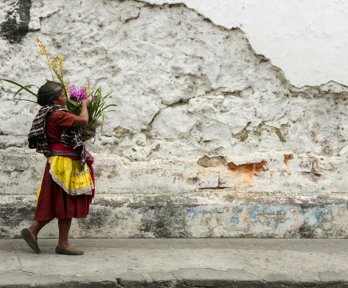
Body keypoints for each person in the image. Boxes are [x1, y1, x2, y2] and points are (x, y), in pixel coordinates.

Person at [21, 80, 95, 255]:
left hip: (59, 161)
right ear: (54, 99)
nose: (66, 97)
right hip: (64, 164)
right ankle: (61, 243)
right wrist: (84, 104)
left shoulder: (49, 112)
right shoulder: (58, 115)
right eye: (63, 95)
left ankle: (36, 231)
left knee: (59, 201)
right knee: (66, 201)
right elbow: (83, 120)